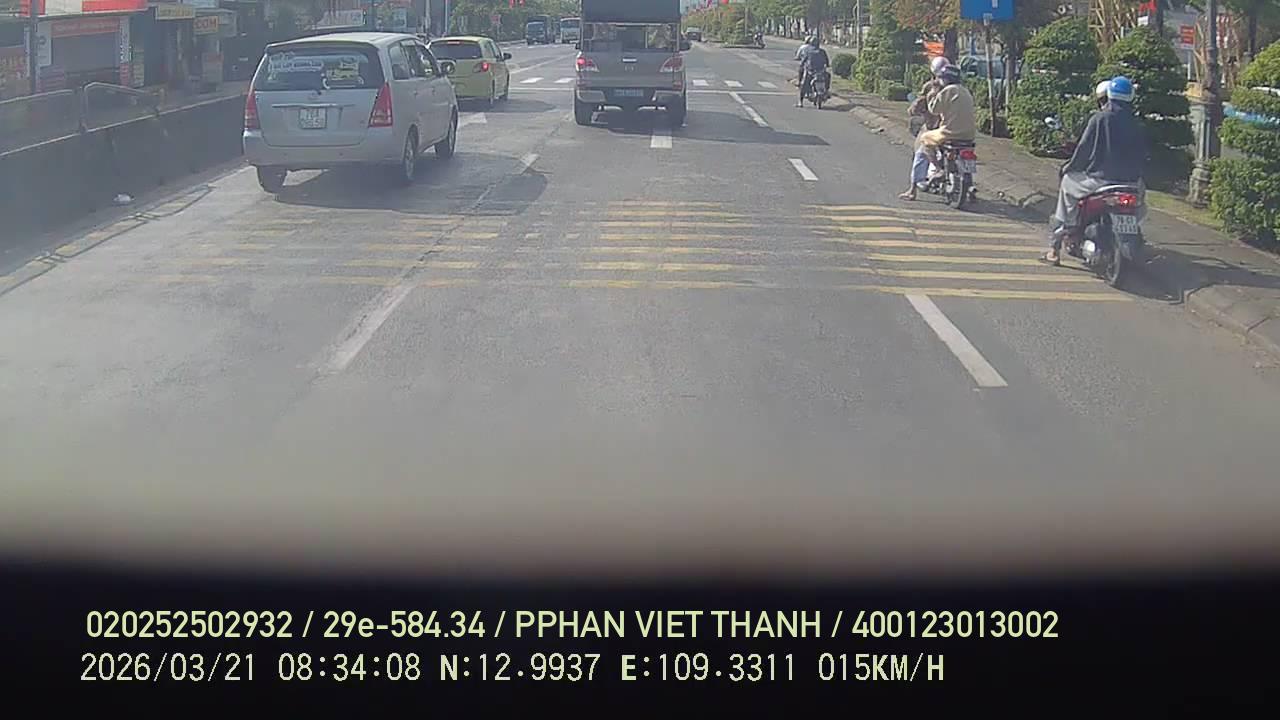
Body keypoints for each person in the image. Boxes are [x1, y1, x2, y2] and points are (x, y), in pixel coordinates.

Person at [1043, 76, 1147, 265]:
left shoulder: (1100, 119)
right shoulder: (1138, 124)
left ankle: (1057, 243)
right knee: (1140, 206)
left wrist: (1069, 167)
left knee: (1067, 184)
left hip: (1099, 182)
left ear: (1109, 95)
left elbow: (1083, 150)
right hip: (1131, 184)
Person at [899, 64, 976, 200]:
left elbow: (934, 109)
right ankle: (969, 186)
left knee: (924, 140)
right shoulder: (966, 91)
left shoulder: (946, 91)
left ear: (945, 79)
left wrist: (933, 94)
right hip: (969, 135)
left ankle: (937, 169)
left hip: (949, 132)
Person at [797, 36, 829, 107]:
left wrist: (802, 64)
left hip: (810, 71)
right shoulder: (822, 51)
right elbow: (827, 62)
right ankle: (826, 91)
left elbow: (803, 61)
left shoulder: (808, 51)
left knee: (803, 85)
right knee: (827, 77)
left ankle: (800, 101)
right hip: (820, 71)